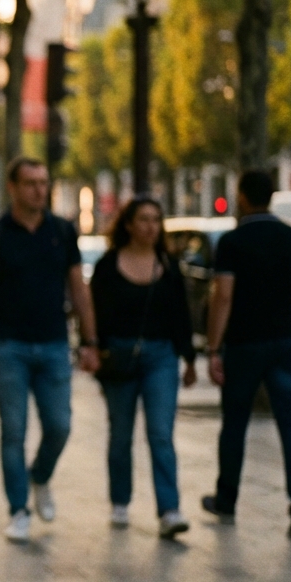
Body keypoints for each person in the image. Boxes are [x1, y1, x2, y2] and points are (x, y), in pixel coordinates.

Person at [0, 157, 99, 542]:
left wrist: (90, 342)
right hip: (8, 346)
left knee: (60, 424)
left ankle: (40, 475)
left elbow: (79, 289)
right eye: (31, 183)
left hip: (55, 343)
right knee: (13, 430)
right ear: (13, 188)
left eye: (44, 182)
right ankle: (18, 508)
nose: (40, 189)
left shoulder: (62, 231)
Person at [201, 170, 291, 537]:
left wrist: (213, 347)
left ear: (242, 196)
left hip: (244, 344)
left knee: (235, 424)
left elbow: (223, 295)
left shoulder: (233, 242)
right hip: (289, 341)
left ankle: (227, 497)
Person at [91, 197, 195, 538]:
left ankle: (169, 509)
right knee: (120, 434)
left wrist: (190, 358)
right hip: (119, 357)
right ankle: (120, 500)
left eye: (156, 220)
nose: (151, 226)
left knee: (160, 433)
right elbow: (95, 311)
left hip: (162, 356)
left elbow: (181, 314)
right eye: (144, 219)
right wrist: (94, 350)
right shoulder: (108, 265)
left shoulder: (168, 263)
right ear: (128, 225)